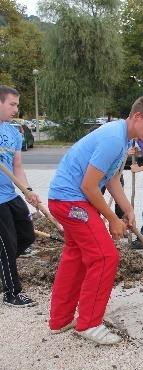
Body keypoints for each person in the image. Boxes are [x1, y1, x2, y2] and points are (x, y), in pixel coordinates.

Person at [47, 96, 143, 345]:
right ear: (137, 117)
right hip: (71, 202)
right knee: (105, 256)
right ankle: (89, 324)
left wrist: (127, 209)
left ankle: (60, 320)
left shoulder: (123, 139)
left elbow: (110, 179)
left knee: (76, 256)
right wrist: (112, 219)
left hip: (67, 199)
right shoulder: (113, 138)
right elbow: (89, 186)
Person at [0, 85, 42, 307]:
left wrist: (28, 190)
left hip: (9, 195)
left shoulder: (13, 133)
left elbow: (17, 166)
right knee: (7, 244)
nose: (16, 109)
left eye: (17, 104)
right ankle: (11, 293)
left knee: (26, 236)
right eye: (12, 104)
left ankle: (3, 267)